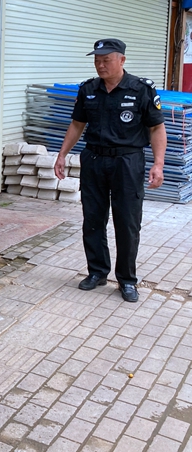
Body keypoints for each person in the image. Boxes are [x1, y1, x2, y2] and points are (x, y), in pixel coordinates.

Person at [54, 38, 166, 303]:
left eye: (106, 60)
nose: (100, 65)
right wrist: (62, 155)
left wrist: (158, 163)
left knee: (127, 222)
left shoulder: (141, 89)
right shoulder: (88, 89)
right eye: (96, 60)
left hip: (127, 162)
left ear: (122, 60)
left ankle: (127, 280)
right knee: (93, 219)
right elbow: (77, 124)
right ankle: (97, 272)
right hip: (94, 160)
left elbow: (156, 128)